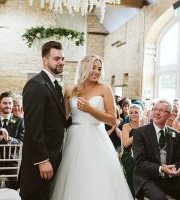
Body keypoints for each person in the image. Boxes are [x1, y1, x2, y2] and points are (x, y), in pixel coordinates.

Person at [50, 54, 133, 200]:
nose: (96, 71)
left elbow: (113, 119)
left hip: (97, 136)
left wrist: (91, 110)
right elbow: (63, 118)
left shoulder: (104, 89)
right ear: (83, 68)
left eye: (99, 69)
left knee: (97, 174)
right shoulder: (71, 90)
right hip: (75, 137)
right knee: (75, 175)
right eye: (93, 68)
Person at [132, 99, 180, 200]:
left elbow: (178, 159)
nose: (157, 112)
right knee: (160, 198)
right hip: (147, 178)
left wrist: (174, 168)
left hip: (170, 178)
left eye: (161, 110)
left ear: (169, 115)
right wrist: (161, 169)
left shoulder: (175, 134)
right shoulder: (140, 132)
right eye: (155, 109)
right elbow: (140, 162)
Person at [20, 41, 66, 200]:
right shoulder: (36, 84)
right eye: (56, 59)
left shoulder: (54, 85)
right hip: (39, 161)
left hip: (54, 156)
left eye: (62, 59)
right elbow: (33, 127)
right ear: (45, 60)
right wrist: (42, 160)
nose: (61, 62)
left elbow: (55, 121)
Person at [120, 104, 144, 195]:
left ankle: (140, 195)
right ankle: (132, 195)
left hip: (142, 156)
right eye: (131, 113)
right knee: (133, 170)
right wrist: (139, 131)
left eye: (136, 112)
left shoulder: (145, 127)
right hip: (128, 156)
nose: (133, 114)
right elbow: (126, 143)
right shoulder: (126, 126)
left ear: (141, 114)